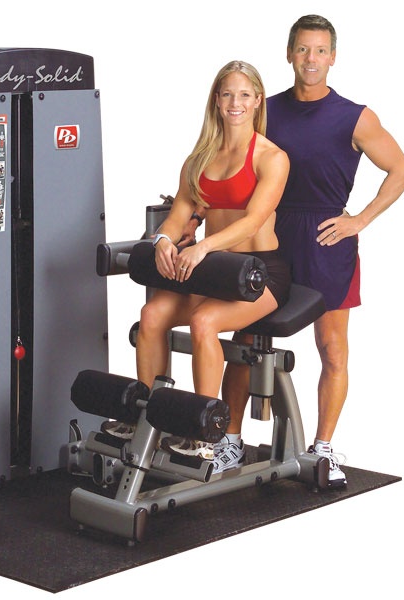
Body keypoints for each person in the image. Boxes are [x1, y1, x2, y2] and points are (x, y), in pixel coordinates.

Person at [208, 15, 404, 487]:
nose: (311, 59)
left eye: (320, 50)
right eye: (303, 49)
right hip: (270, 234)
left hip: (326, 239)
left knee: (332, 348)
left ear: (333, 57)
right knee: (245, 340)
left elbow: (403, 170)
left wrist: (359, 220)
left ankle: (322, 448)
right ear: (289, 54)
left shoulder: (355, 117)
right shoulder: (265, 109)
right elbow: (229, 161)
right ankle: (230, 441)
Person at [130, 60, 291, 474]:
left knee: (204, 323)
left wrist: (202, 248)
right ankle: (150, 425)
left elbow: (253, 221)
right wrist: (163, 241)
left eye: (244, 95)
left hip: (259, 273)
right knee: (151, 315)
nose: (235, 103)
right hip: (215, 269)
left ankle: (208, 439)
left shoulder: (272, 157)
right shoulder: (199, 158)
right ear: (216, 101)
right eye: (227, 94)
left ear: (257, 100)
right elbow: (178, 215)